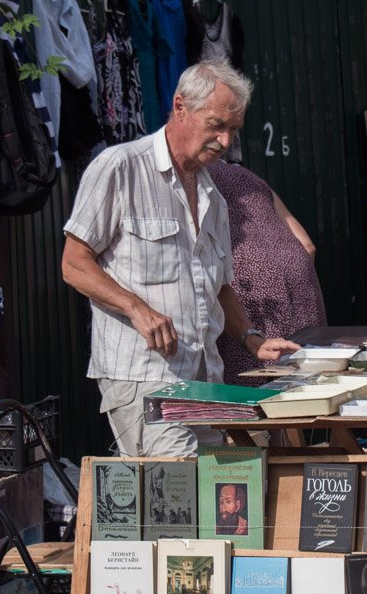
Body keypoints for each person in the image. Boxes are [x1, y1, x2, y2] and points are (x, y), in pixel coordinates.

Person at [61, 59, 299, 457]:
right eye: (216, 125)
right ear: (180, 107)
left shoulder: (213, 197)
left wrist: (251, 338)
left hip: (203, 375)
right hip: (143, 374)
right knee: (177, 489)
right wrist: (136, 308)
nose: (225, 141)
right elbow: (74, 263)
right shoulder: (120, 168)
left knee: (214, 489)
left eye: (233, 130)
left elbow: (220, 284)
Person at [207, 158, 327, 386]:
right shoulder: (249, 177)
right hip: (299, 275)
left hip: (244, 281)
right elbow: (307, 245)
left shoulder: (195, 178)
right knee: (306, 383)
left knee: (257, 390)